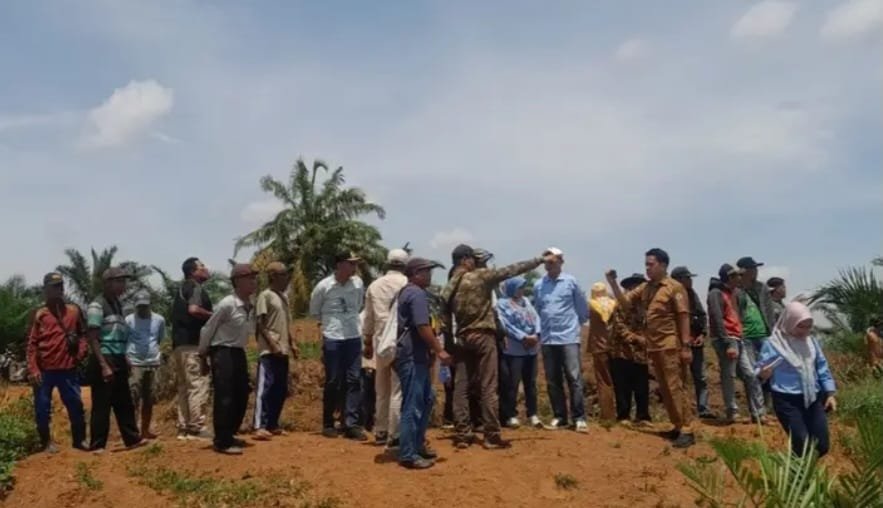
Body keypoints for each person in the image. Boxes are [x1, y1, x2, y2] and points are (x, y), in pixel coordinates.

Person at [442, 244, 549, 449]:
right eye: (471, 258)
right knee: (488, 386)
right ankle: (491, 435)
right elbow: (512, 270)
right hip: (483, 336)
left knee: (461, 388)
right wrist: (539, 260)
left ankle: (463, 433)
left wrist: (449, 346)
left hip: (461, 338)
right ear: (465, 260)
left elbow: (445, 320)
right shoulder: (480, 277)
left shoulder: (449, 286)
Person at [606, 248, 696, 448]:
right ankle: (677, 425)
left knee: (676, 386)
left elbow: (683, 316)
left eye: (651, 264)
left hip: (670, 345)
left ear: (663, 265)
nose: (647, 268)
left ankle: (687, 429)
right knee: (665, 388)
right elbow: (624, 304)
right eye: (646, 264)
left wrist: (686, 346)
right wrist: (613, 283)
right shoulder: (646, 288)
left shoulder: (674, 287)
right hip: (653, 346)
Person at [756, 302, 837, 457]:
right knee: (801, 443)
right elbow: (760, 369)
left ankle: (805, 468)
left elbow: (821, 367)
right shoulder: (774, 344)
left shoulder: (811, 343)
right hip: (787, 399)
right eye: (800, 326)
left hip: (813, 397)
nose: (804, 331)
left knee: (822, 445)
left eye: (808, 327)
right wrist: (764, 373)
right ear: (789, 322)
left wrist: (830, 393)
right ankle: (795, 470)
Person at [395, 257, 451, 469]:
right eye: (427, 272)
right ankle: (408, 453)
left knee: (426, 399)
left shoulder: (409, 292)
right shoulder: (416, 294)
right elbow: (422, 326)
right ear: (416, 274)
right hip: (412, 356)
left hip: (414, 355)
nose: (430, 275)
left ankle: (416, 445)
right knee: (414, 404)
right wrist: (439, 350)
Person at [198, 264, 258, 455]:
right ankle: (222, 440)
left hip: (238, 351)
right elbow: (208, 329)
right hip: (222, 351)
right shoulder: (227, 304)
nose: (254, 282)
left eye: (254, 278)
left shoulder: (249, 305)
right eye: (249, 278)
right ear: (237, 282)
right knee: (225, 396)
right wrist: (203, 355)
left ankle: (230, 433)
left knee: (242, 393)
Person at [26, 272, 89, 453]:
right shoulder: (39, 314)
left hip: (68, 369)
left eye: (60, 286)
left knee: (75, 405)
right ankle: (46, 442)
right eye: (54, 287)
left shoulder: (74, 311)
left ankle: (79, 440)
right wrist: (33, 369)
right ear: (45, 290)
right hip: (44, 371)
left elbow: (83, 335)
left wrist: (80, 353)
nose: (58, 290)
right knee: (42, 408)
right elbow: (31, 345)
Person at [310, 251, 367, 440]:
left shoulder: (358, 284)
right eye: (351, 263)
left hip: (353, 336)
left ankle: (351, 423)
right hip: (332, 336)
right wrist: (327, 327)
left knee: (354, 379)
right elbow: (315, 311)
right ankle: (328, 423)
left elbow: (358, 306)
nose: (354, 267)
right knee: (333, 380)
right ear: (340, 265)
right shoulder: (323, 286)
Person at [87, 267, 143, 452]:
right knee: (102, 403)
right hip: (104, 356)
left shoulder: (118, 305)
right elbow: (93, 338)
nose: (123, 285)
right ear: (107, 283)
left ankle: (132, 439)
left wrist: (125, 356)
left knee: (124, 401)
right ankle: (97, 445)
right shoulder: (97, 306)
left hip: (118, 356)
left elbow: (119, 334)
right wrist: (103, 365)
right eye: (119, 281)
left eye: (123, 281)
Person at [534, 248, 590, 432]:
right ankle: (560, 416)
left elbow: (582, 309)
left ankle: (579, 417)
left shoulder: (570, 282)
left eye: (552, 261)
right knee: (553, 380)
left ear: (561, 262)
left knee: (574, 378)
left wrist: (575, 326)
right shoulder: (539, 285)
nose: (549, 264)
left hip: (568, 337)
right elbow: (538, 309)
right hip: (548, 338)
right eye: (546, 261)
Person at [362, 248, 409, 446]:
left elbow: (368, 317)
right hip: (401, 341)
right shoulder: (408, 284)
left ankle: (380, 430)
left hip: (380, 342)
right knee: (398, 390)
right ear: (405, 265)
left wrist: (367, 342)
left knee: (381, 389)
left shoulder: (375, 285)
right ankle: (395, 433)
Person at [707, 265, 766, 424]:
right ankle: (732, 411)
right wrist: (727, 342)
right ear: (729, 277)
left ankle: (758, 412)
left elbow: (739, 315)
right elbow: (717, 318)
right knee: (729, 375)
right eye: (735, 276)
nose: (739, 278)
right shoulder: (716, 293)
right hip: (726, 339)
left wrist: (740, 333)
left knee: (750, 374)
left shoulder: (736, 293)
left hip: (738, 337)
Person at [253, 262, 297, 441]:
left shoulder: (283, 298)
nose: (287, 278)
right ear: (273, 276)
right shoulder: (265, 296)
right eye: (283, 274)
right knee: (267, 386)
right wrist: (272, 345)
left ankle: (273, 423)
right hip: (269, 351)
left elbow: (285, 323)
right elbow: (260, 324)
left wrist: (292, 343)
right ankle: (259, 425)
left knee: (280, 388)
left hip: (283, 349)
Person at [171, 257, 214, 440]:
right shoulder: (195, 288)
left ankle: (184, 428)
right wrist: (214, 316)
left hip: (179, 346)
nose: (206, 268)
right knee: (198, 384)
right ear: (193, 272)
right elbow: (194, 309)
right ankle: (197, 427)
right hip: (192, 345)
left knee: (184, 387)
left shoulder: (182, 289)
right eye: (201, 266)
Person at [496, 277, 542, 429]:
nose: (521, 290)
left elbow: (536, 318)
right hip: (514, 350)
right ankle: (510, 415)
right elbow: (506, 324)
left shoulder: (526, 301)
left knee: (531, 383)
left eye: (523, 287)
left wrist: (536, 334)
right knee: (512, 383)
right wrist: (523, 337)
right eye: (519, 287)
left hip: (531, 349)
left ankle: (533, 414)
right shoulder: (502, 304)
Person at [671, 267, 713, 419]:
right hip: (678, 344)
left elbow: (702, 315)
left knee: (700, 377)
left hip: (695, 342)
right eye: (687, 278)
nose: (690, 281)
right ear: (678, 280)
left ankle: (703, 409)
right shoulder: (671, 295)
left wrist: (702, 334)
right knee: (679, 378)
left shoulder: (692, 294)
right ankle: (682, 410)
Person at [608, 273, 651, 425]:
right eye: (635, 286)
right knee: (622, 385)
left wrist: (646, 339)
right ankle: (623, 416)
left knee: (641, 385)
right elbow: (619, 326)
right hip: (621, 350)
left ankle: (643, 416)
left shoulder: (646, 306)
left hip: (640, 353)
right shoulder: (621, 304)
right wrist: (636, 338)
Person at [737, 256, 777, 409]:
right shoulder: (737, 290)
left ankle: (767, 405)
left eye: (756, 268)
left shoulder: (762, 288)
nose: (756, 271)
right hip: (746, 335)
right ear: (743, 271)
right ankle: (757, 409)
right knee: (752, 374)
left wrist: (772, 333)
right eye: (752, 268)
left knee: (768, 370)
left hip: (764, 334)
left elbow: (769, 311)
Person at [125, 291, 166, 441]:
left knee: (149, 399)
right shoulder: (129, 320)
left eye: (145, 306)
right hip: (135, 363)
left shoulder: (159, 320)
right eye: (140, 307)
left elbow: (160, 339)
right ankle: (133, 431)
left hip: (152, 363)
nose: (142, 309)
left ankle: (145, 430)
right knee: (133, 397)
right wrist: (126, 359)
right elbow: (124, 340)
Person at [587, 282, 616, 422]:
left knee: (603, 381)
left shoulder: (592, 305)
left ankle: (607, 416)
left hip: (598, 346)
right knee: (612, 380)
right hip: (613, 346)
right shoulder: (613, 304)